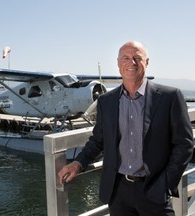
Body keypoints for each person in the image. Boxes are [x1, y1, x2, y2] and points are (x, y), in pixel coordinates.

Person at [58, 40, 194, 216]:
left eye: (138, 58)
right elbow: (98, 139)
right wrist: (78, 163)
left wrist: (166, 183)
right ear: (118, 63)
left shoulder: (170, 97)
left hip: (154, 189)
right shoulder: (106, 101)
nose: (132, 63)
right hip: (118, 191)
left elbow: (184, 144)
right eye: (126, 58)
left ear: (147, 62)